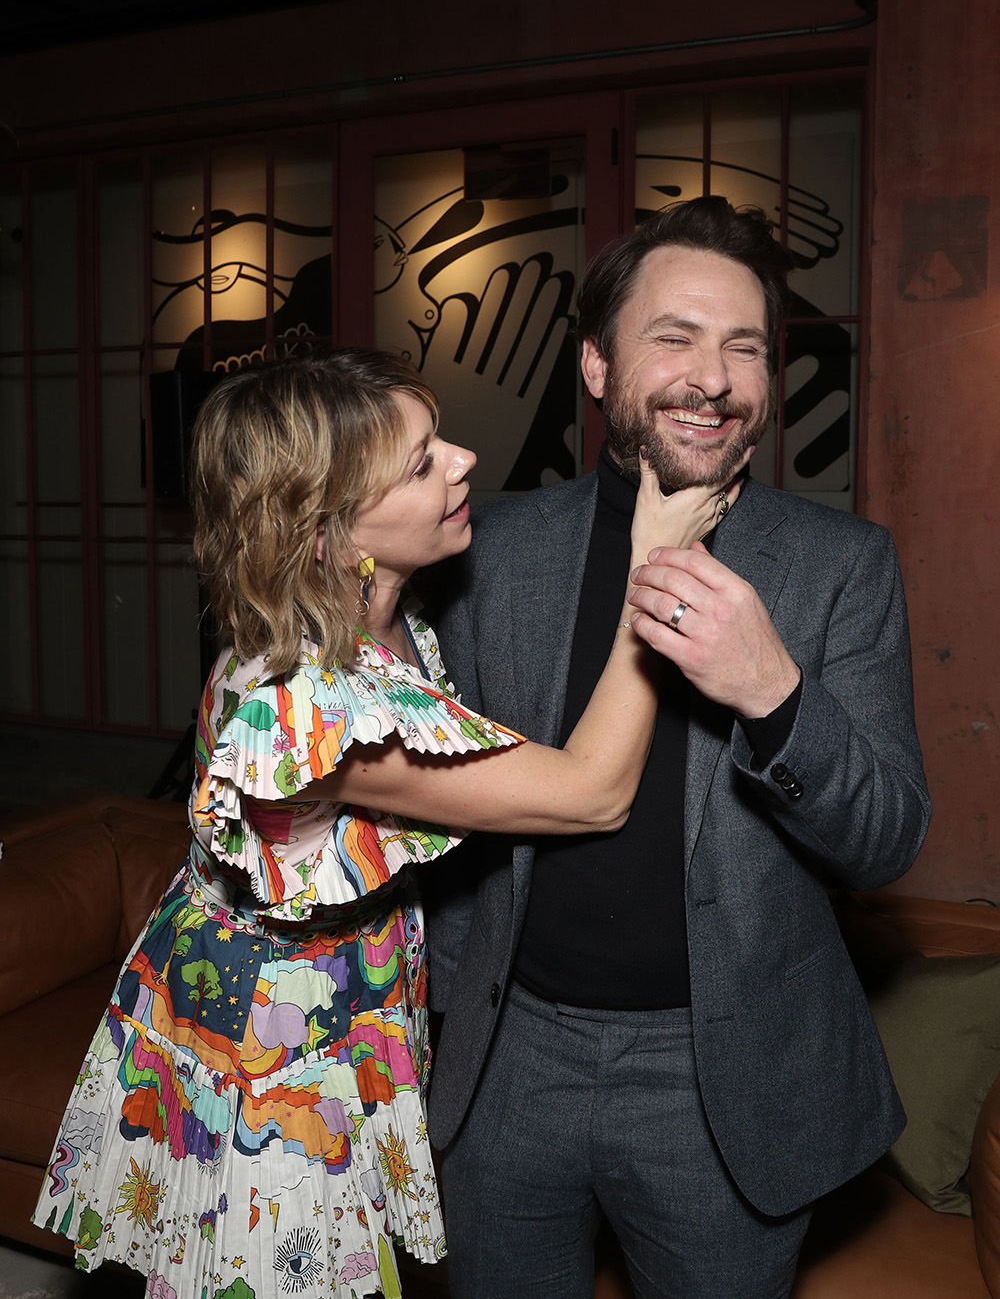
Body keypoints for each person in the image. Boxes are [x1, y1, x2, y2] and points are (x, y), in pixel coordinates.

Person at [32, 349, 743, 1299]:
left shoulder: (376, 619)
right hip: (274, 1060)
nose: (460, 460)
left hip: (334, 1008)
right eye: (419, 463)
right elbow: (592, 791)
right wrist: (657, 561)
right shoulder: (311, 701)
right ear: (328, 536)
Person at [423, 196, 932, 1299]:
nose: (713, 376)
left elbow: (888, 840)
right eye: (675, 338)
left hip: (722, 1079)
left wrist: (776, 691)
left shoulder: (838, 565)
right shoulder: (489, 550)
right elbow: (435, 803)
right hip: (509, 1060)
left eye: (743, 347)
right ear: (597, 367)